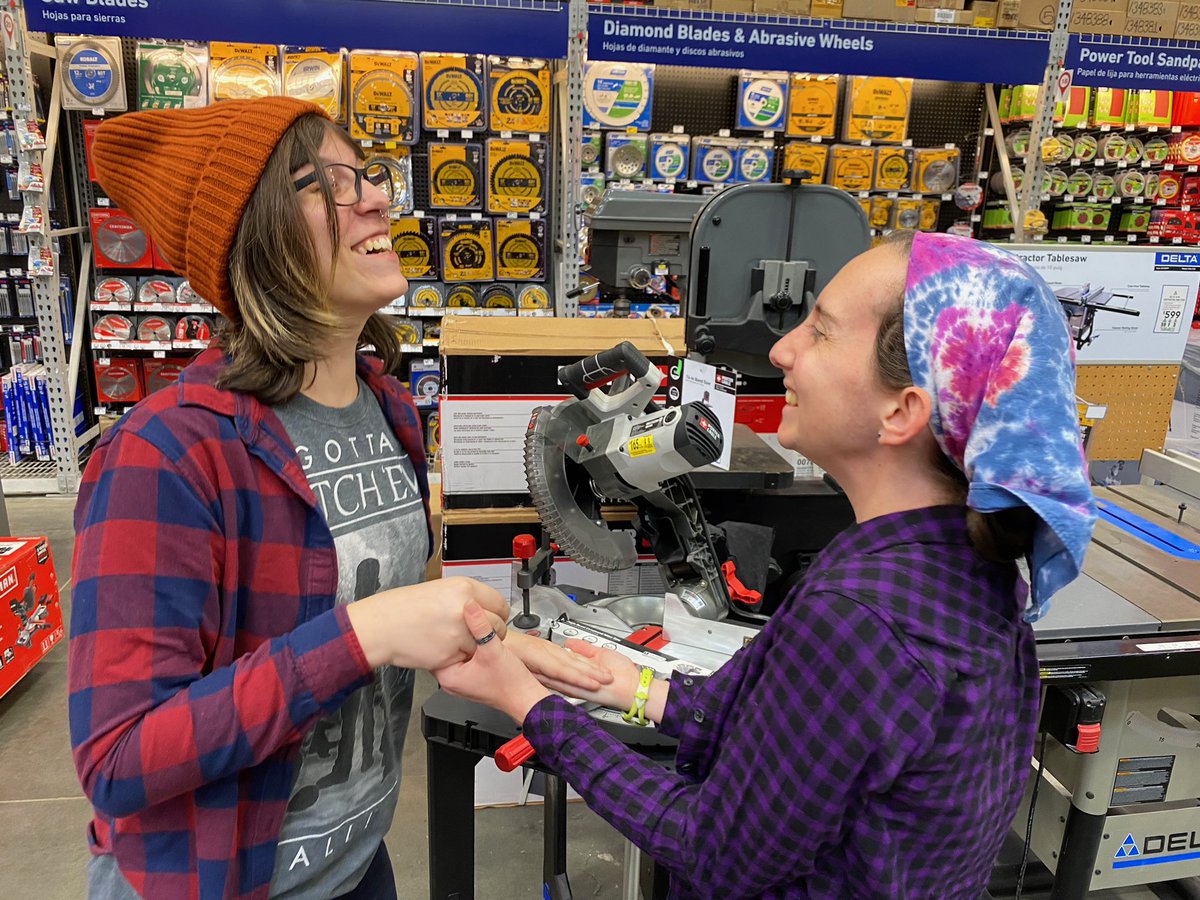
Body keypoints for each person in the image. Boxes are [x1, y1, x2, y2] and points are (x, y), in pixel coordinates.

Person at [435, 232, 1098, 898]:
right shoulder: (950, 565)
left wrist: (529, 703)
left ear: (902, 411)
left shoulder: (862, 618)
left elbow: (712, 849)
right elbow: (771, 719)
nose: (783, 349)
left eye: (822, 331)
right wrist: (627, 686)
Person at [68, 97, 606, 900]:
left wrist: (490, 647)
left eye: (362, 173)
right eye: (320, 183)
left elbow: (370, 609)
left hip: (357, 866)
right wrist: (364, 635)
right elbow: (119, 758)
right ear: (251, 238)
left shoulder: (387, 410)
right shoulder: (168, 453)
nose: (375, 197)